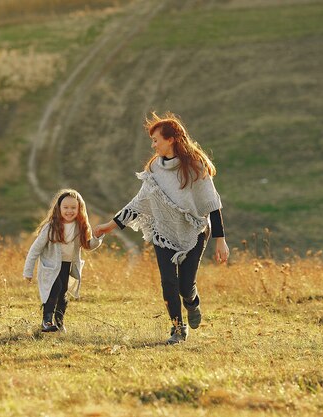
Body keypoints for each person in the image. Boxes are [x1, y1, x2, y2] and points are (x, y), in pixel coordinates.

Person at [93, 112, 229, 344]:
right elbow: (140, 202)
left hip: (194, 230)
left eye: (156, 140)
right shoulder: (155, 168)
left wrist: (220, 239)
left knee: (186, 286)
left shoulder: (196, 165)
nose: (153, 145)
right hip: (163, 232)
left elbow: (211, 204)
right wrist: (110, 226)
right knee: (168, 282)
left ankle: (192, 302)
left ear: (171, 139)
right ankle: (177, 329)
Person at [24, 189, 102, 333]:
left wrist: (97, 238)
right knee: (56, 288)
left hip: (68, 265)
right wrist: (28, 272)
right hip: (51, 266)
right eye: (65, 207)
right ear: (59, 208)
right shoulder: (51, 227)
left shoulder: (81, 227)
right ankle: (46, 321)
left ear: (79, 209)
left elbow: (87, 246)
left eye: (73, 208)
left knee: (63, 294)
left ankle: (59, 323)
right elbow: (35, 249)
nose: (69, 211)